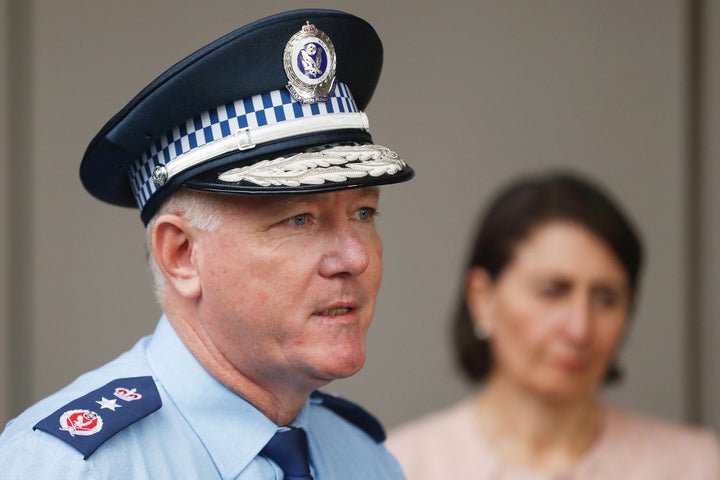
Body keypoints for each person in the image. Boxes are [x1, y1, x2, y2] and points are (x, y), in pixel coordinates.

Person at [0, 9, 414, 478]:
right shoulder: (68, 468)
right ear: (181, 255)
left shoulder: (363, 458)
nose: (355, 258)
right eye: (298, 219)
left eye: (364, 213)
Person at [387, 172, 720, 479]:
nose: (580, 329)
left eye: (605, 298)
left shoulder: (693, 466)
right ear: (482, 296)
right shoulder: (398, 466)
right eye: (551, 291)